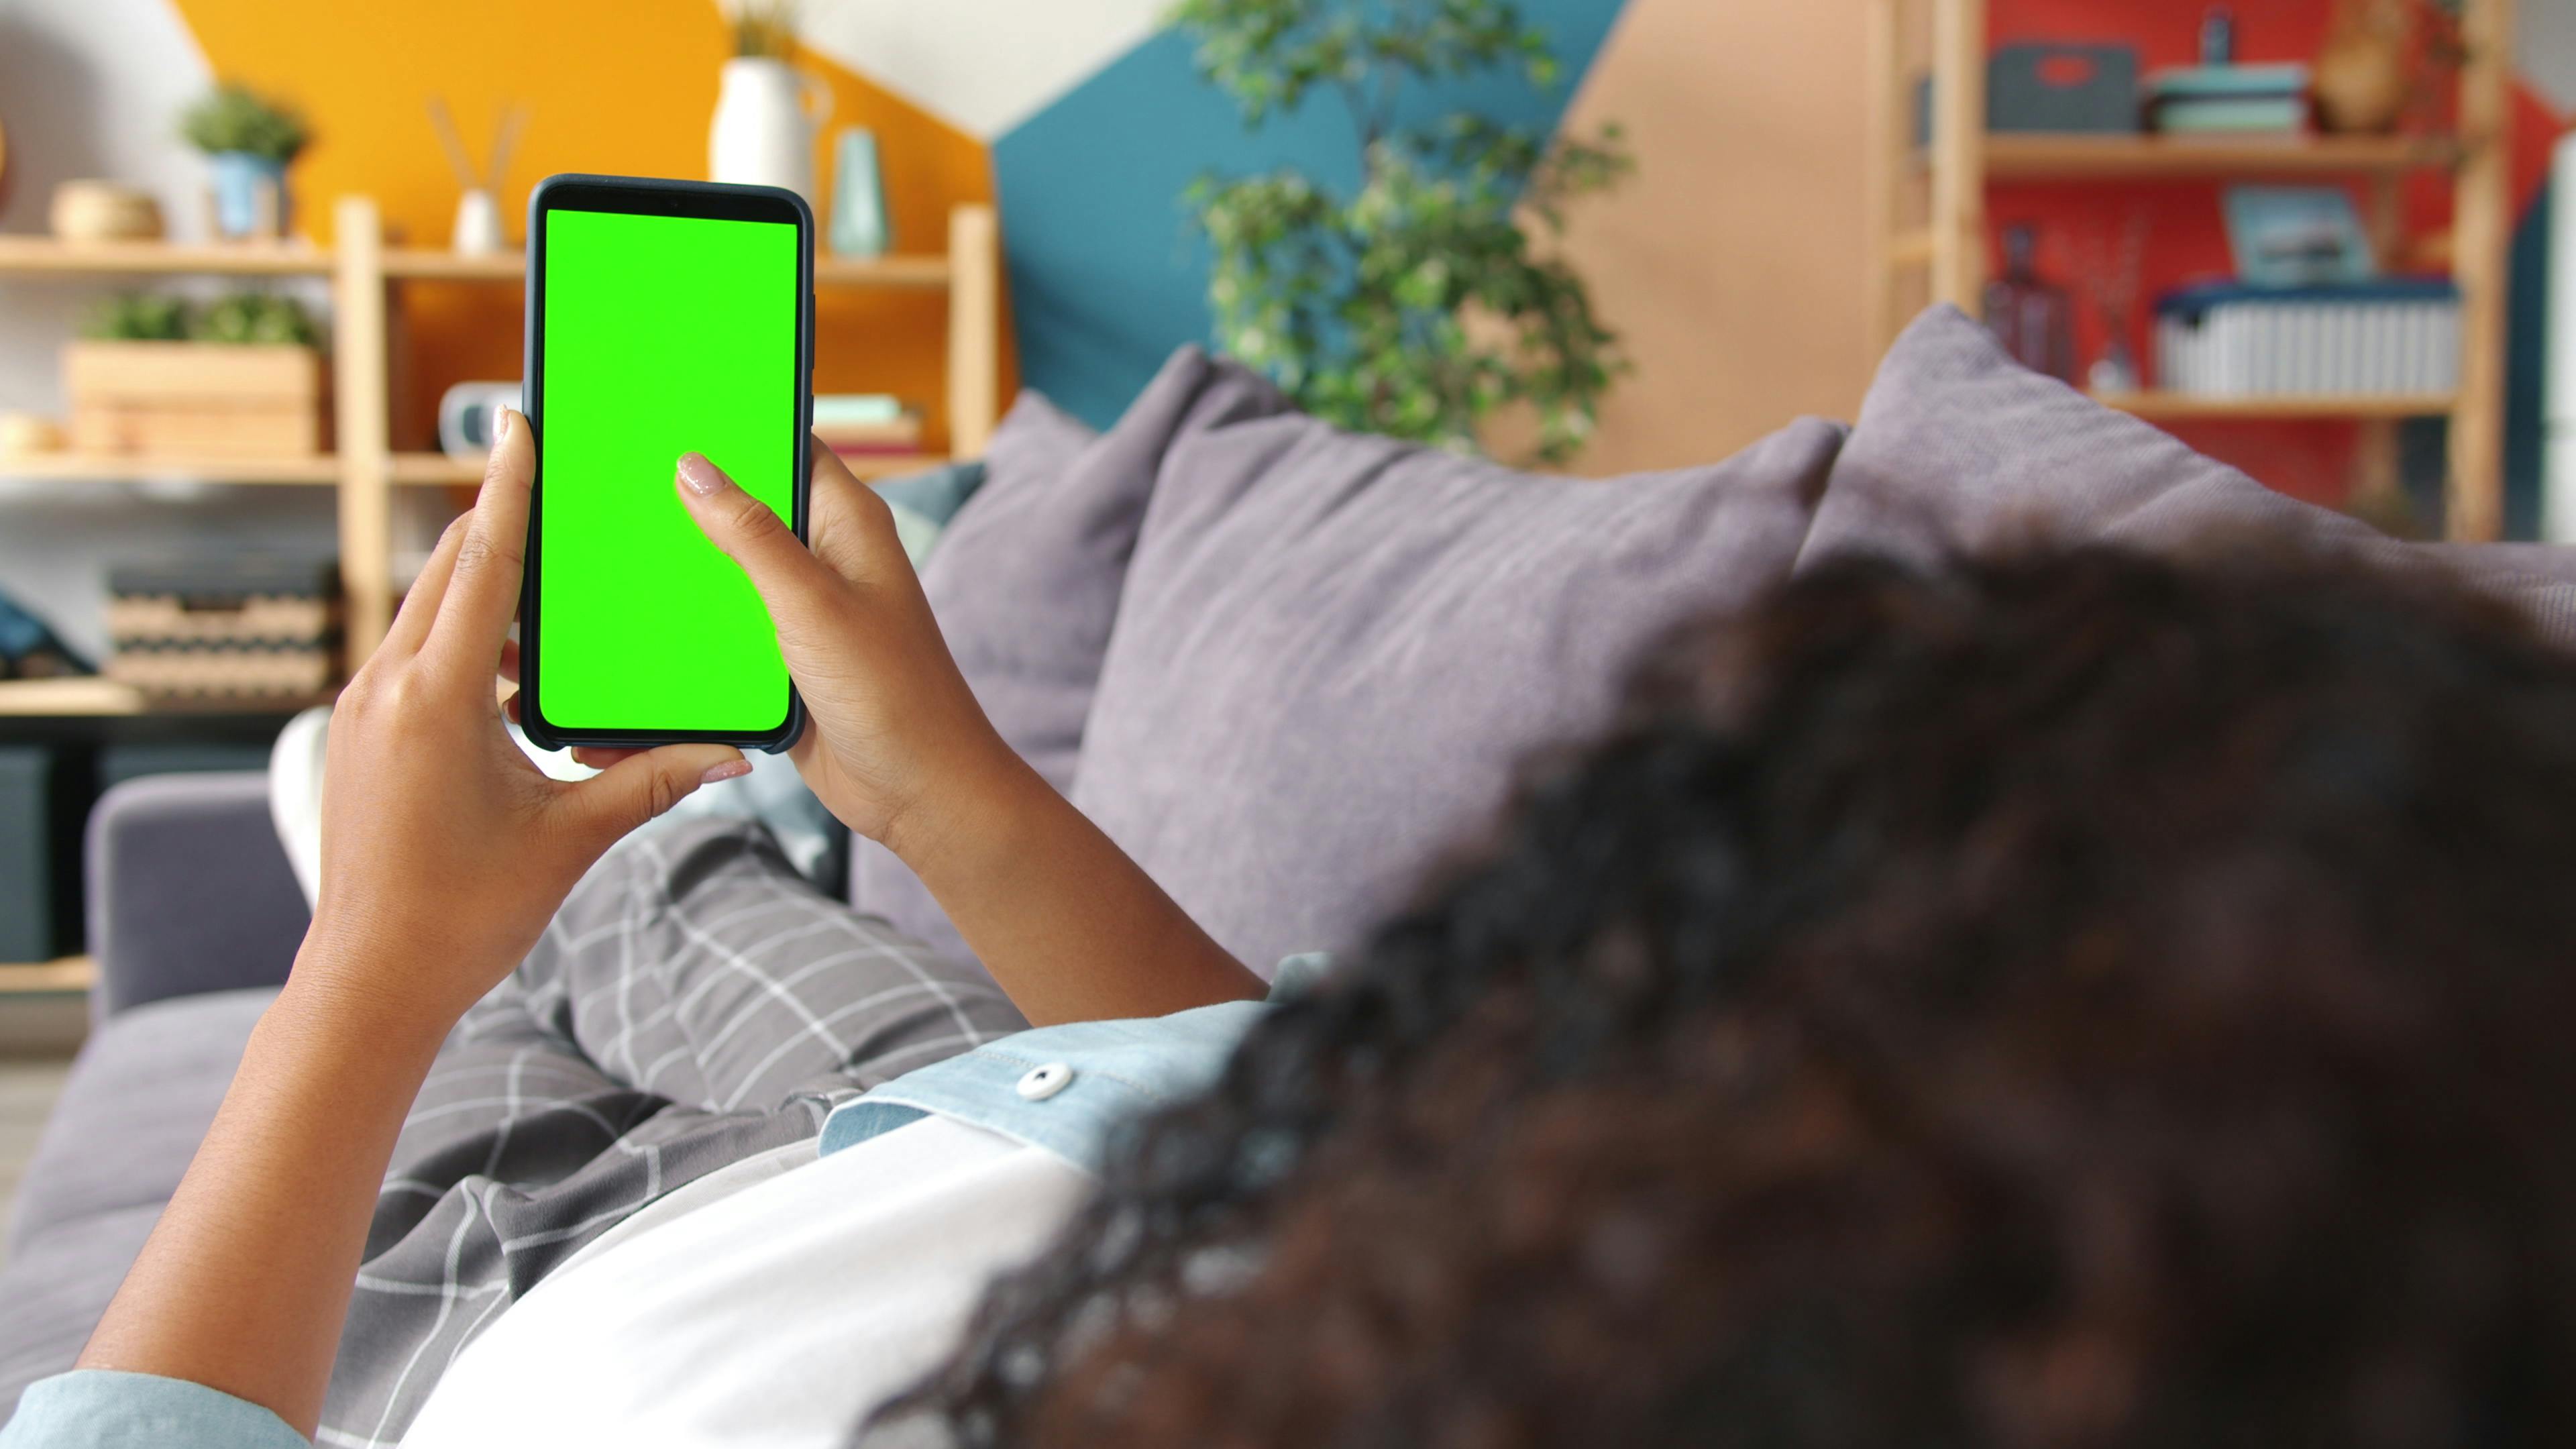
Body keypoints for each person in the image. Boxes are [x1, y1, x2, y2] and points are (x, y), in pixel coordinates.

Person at [9, 415, 2576, 1446]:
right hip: (995, 1104)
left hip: (555, 1289)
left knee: (462, 918)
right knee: (675, 866)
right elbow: (1306, 1109)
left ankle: (372, 842)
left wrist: (377, 973)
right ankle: (491, 840)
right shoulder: (1592, 1244)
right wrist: (961, 787)